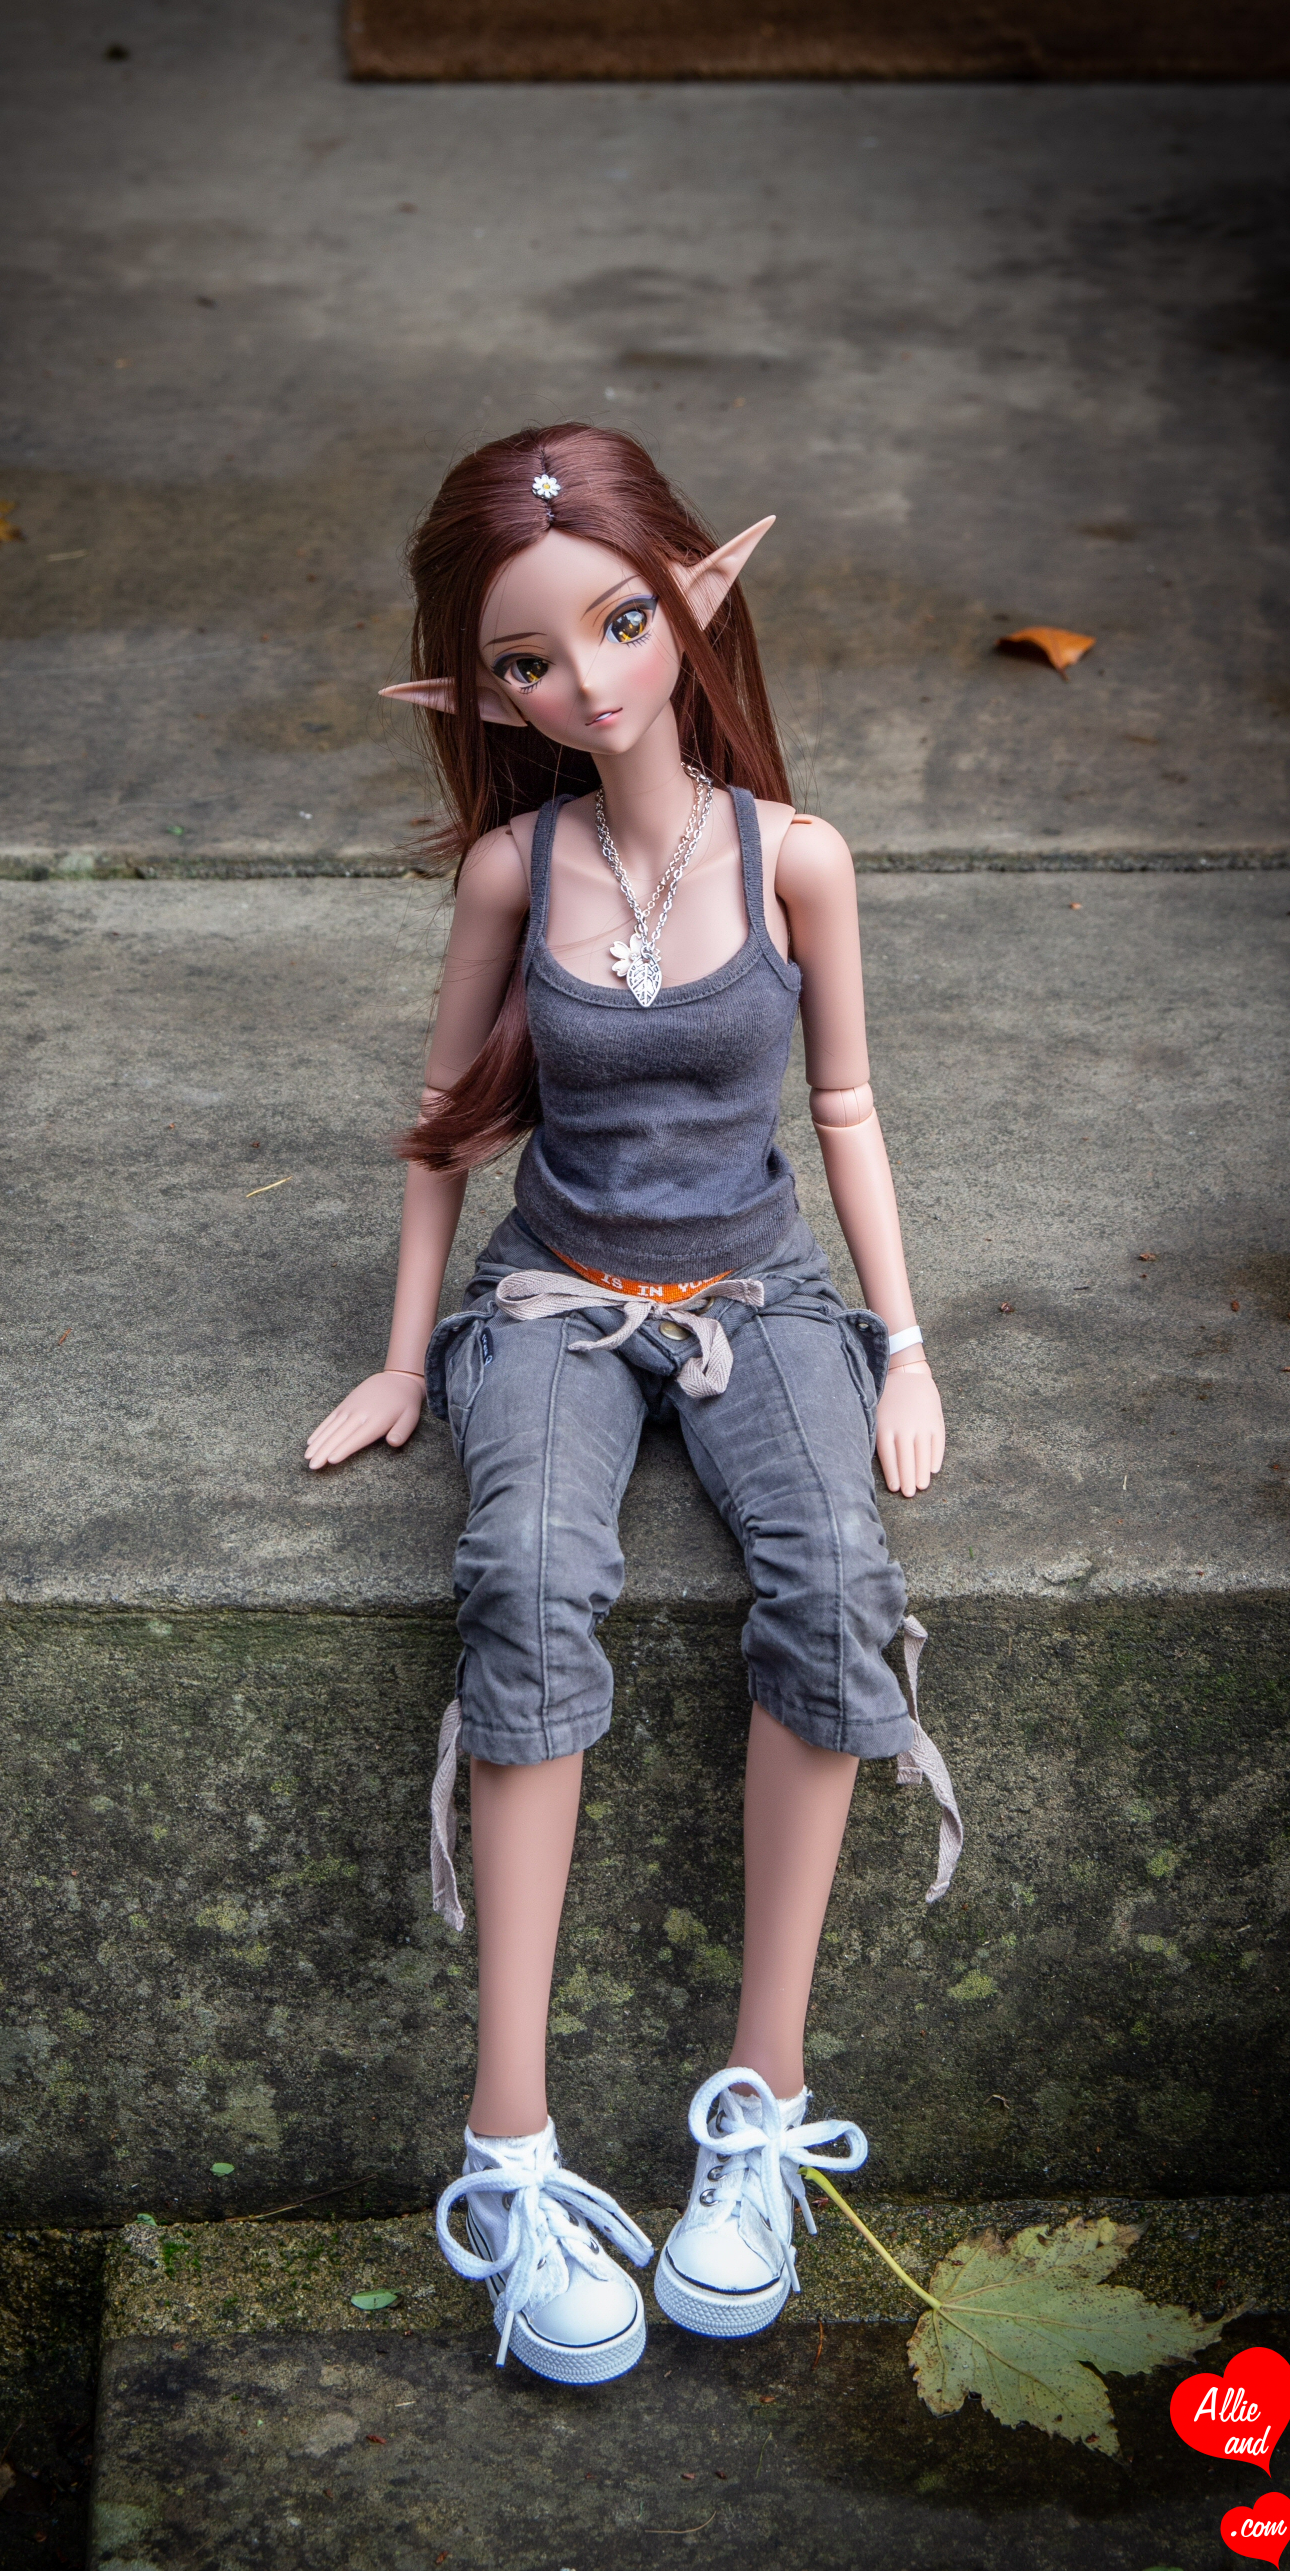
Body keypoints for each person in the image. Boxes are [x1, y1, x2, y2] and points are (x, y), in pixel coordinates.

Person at [305, 424, 957, 2387]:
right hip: (557, 1301)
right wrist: (406, 1357)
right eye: (528, 661)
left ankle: (761, 2106)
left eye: (617, 626)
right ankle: (509, 2150)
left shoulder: (797, 859)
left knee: (833, 1575)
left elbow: (847, 1110)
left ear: (692, 606)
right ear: (480, 690)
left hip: (762, 1295)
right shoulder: (518, 869)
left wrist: (904, 1343)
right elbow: (444, 1133)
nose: (586, 684)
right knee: (524, 1576)